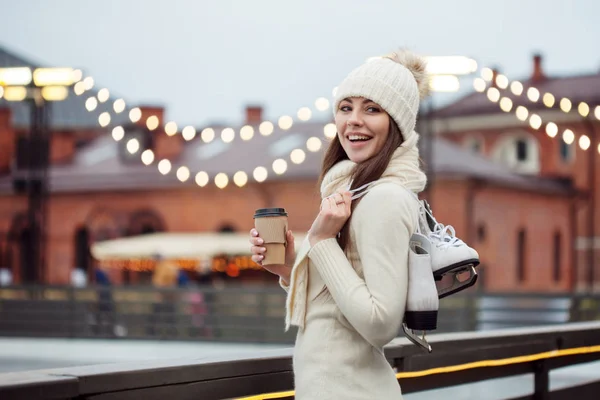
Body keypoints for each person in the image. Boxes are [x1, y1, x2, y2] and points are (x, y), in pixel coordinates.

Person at [250, 49, 429, 399]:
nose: (354, 120)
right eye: (346, 107)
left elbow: (380, 324)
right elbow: (338, 310)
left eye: (372, 109)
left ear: (397, 122)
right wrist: (289, 268)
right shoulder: (356, 190)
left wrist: (321, 241)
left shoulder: (384, 199)